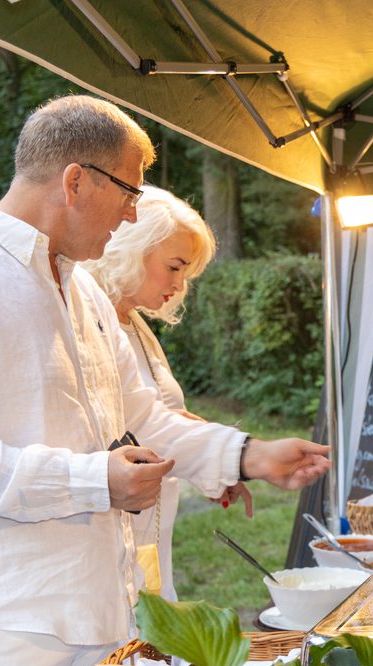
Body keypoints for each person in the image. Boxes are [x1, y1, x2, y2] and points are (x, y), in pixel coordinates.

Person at [0, 94, 329, 666]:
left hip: (107, 617)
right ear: (75, 181)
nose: (130, 213)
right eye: (128, 192)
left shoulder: (85, 290)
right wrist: (95, 480)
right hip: (13, 639)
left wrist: (249, 456)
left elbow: (142, 416)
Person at [81, 186, 252, 601]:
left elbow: (161, 413)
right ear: (132, 249)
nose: (179, 285)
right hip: (107, 539)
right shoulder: (89, 322)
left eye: (186, 274)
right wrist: (236, 454)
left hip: (152, 531)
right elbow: (131, 426)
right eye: (174, 267)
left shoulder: (136, 325)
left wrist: (218, 461)